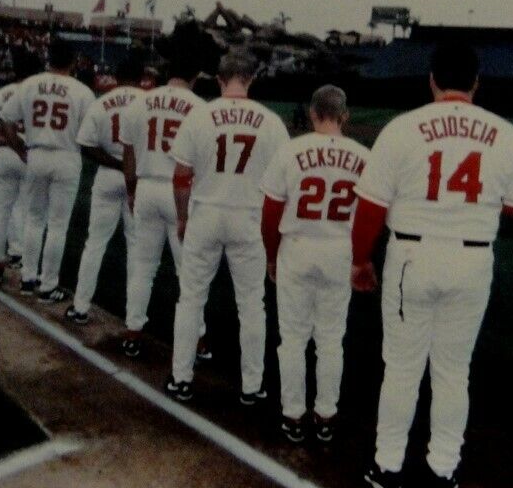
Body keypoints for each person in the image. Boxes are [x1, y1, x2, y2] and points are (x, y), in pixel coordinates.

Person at [351, 41, 513, 488]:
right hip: (472, 259)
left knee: (402, 369)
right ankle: (441, 476)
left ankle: (388, 469)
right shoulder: (506, 133)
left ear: (432, 80)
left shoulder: (402, 128)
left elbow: (371, 207)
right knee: (453, 372)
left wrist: (360, 260)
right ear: (476, 83)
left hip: (411, 255)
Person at [164, 50, 289, 403]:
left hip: (206, 211)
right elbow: (282, 187)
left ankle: (181, 378)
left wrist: (184, 217)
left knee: (190, 300)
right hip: (249, 215)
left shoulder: (199, 116)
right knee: (252, 305)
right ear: (250, 79)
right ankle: (252, 386)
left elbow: (181, 176)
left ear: (220, 80)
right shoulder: (271, 122)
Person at [260, 84, 369, 444]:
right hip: (339, 247)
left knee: (292, 339)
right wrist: (361, 258)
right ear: (344, 116)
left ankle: (293, 415)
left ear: (312, 113)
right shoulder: (362, 156)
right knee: (330, 340)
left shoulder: (291, 151)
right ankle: (326, 415)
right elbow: (372, 214)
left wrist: (271, 256)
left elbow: (271, 212)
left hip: (298, 245)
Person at [117, 52, 206, 359]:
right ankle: (197, 339)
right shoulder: (200, 108)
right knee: (189, 271)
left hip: (146, 186)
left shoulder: (139, 101)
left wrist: (131, 190)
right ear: (195, 76)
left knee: (143, 266)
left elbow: (128, 155)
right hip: (180, 191)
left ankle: (133, 331)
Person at [0, 39, 96, 301]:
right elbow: (90, 135)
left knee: (34, 219)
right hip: (67, 155)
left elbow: (6, 119)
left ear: (48, 58)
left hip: (37, 152)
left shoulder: (29, 84)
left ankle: (28, 278)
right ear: (73, 60)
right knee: (57, 225)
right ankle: (47, 285)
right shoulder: (82, 91)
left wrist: (20, 149)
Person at [64, 56, 145, 325]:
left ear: (117, 76)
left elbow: (86, 145)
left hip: (108, 175)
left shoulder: (102, 102)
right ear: (142, 76)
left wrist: (117, 163)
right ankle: (134, 319)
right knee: (136, 248)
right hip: (140, 180)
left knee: (95, 243)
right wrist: (131, 167)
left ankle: (80, 307)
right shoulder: (149, 103)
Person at [0, 54, 41, 285]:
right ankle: (22, 258)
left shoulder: (0, 94)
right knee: (28, 210)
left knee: (0, 209)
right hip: (31, 154)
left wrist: (4, 142)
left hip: (5, 154)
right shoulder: (40, 92)